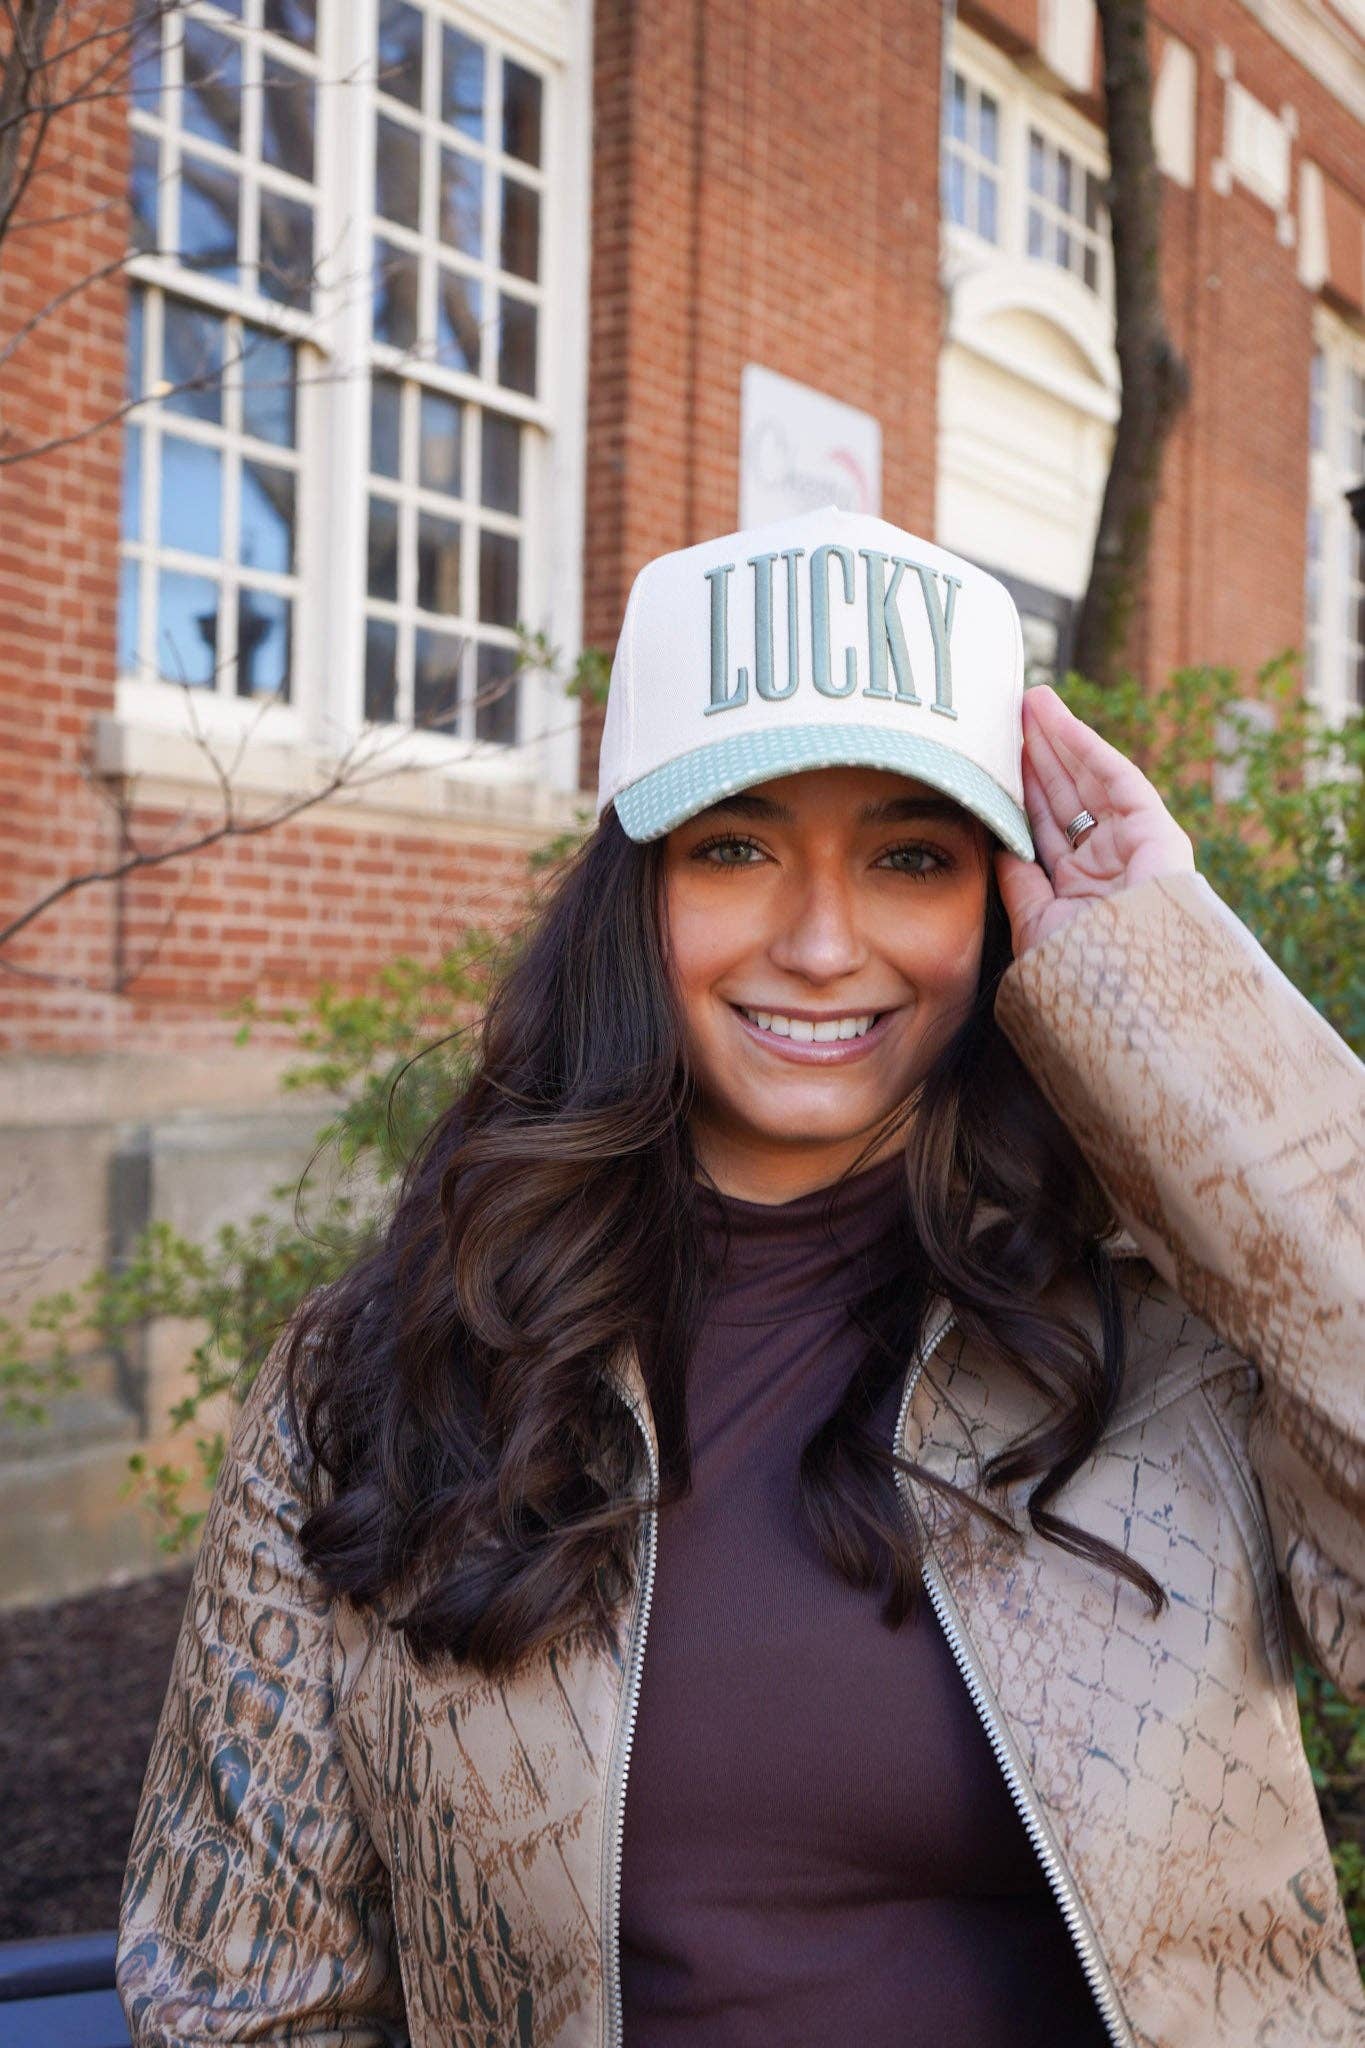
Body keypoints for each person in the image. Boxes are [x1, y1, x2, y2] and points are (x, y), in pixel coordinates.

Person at [116, 507, 1364, 2047]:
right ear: (635, 895)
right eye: (736, 846)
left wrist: (1168, 986)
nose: (824, 940)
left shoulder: (1169, 1335)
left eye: (909, 854)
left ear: (995, 900)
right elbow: (238, 1996)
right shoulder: (366, 1381)